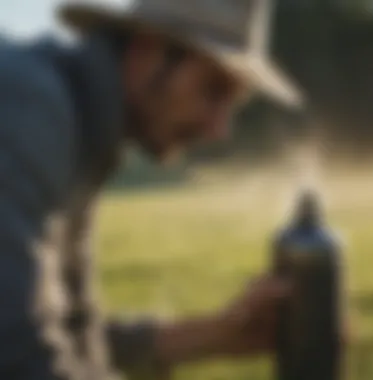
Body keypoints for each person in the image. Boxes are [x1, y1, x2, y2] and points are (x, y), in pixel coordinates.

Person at [0, 0, 305, 379]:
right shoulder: (28, 110)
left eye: (233, 103)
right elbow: (17, 358)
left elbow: (71, 334)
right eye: (212, 90)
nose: (219, 129)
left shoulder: (83, 126)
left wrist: (216, 334)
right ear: (146, 53)